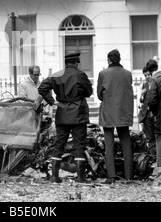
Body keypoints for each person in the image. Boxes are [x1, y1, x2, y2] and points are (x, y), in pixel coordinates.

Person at [38, 52, 93, 183]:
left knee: (59, 144)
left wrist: (52, 101)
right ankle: (80, 177)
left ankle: (54, 177)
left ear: (66, 63)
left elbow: (42, 89)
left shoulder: (56, 75)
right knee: (79, 145)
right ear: (75, 62)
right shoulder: (81, 75)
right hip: (78, 114)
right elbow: (89, 92)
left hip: (62, 113)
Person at [97, 49, 134, 184]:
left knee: (109, 145)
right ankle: (129, 176)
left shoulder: (103, 74)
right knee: (126, 144)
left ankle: (111, 176)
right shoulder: (128, 74)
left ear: (109, 60)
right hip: (124, 112)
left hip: (109, 113)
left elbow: (99, 95)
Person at [138, 66, 156, 155]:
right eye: (145, 75)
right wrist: (142, 94)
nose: (147, 77)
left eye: (149, 74)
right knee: (149, 136)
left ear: (152, 74)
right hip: (147, 113)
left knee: (156, 135)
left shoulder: (156, 83)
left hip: (154, 113)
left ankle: (156, 155)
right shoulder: (144, 85)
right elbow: (141, 101)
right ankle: (152, 156)